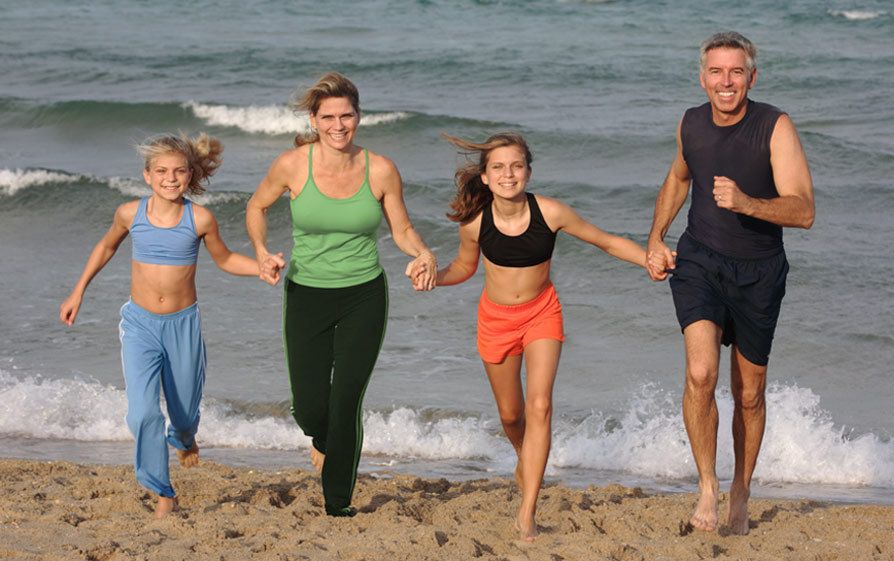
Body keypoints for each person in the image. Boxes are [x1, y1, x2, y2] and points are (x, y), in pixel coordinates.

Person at [645, 31, 815, 535]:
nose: (726, 82)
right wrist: (655, 237)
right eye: (716, 72)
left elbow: (803, 210)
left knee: (749, 393)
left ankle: (741, 487)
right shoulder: (691, 122)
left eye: (736, 72)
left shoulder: (775, 126)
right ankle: (707, 487)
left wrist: (748, 204)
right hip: (700, 259)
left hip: (759, 271)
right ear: (703, 78)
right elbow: (678, 179)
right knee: (701, 374)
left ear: (751, 77)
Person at [435, 132, 645, 541]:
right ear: (484, 176)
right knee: (512, 417)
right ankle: (524, 458)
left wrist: (650, 259)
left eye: (516, 166)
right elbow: (463, 268)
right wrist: (434, 278)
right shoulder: (476, 224)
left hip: (541, 313)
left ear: (528, 172)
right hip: (495, 320)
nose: (507, 174)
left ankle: (527, 511)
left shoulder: (550, 212)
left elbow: (605, 241)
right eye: (498, 167)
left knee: (541, 406)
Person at [245, 72, 436, 517]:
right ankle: (324, 440)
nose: (338, 124)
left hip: (363, 297)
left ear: (358, 117)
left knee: (347, 400)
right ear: (314, 119)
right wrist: (260, 251)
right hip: (306, 294)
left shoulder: (381, 169)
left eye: (346, 115)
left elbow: (402, 229)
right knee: (311, 410)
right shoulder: (293, 164)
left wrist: (424, 253)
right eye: (328, 116)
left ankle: (338, 505)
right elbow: (256, 206)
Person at [59, 132, 265, 518]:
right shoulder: (129, 214)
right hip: (139, 324)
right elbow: (106, 247)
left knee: (185, 414)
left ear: (191, 175)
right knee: (142, 414)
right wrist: (78, 291)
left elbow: (224, 260)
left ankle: (185, 439)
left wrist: (261, 267)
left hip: (182, 326)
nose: (170, 178)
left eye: (179, 171)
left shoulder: (199, 218)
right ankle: (162, 490)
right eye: (162, 171)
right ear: (147, 175)